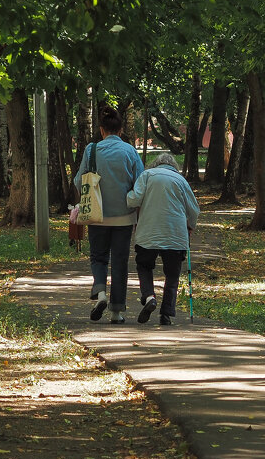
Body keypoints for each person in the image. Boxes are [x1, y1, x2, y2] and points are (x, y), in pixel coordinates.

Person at [74, 107, 143, 324]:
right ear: (120, 130)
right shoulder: (130, 151)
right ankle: (117, 312)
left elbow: (78, 181)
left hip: (97, 214)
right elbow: (140, 183)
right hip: (124, 217)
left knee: (98, 257)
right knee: (120, 262)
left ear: (102, 130)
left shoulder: (91, 150)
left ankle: (101, 294)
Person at [127, 152, 199, 325]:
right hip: (175, 234)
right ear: (174, 166)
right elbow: (194, 210)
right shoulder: (181, 181)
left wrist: (126, 195)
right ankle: (166, 314)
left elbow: (133, 200)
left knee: (144, 266)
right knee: (172, 275)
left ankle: (149, 296)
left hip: (148, 233)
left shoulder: (147, 176)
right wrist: (190, 226)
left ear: (156, 164)